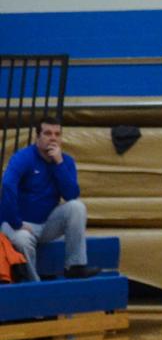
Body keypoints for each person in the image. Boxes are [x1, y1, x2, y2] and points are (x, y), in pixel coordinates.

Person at [0, 118, 100, 281]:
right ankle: (34, 285)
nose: (53, 138)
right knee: (23, 240)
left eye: (57, 134)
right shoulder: (23, 157)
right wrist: (16, 222)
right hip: (17, 224)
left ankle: (75, 266)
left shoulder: (65, 161)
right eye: (47, 133)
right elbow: (7, 186)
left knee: (77, 207)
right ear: (37, 137)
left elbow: (71, 195)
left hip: (46, 224)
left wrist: (58, 164)